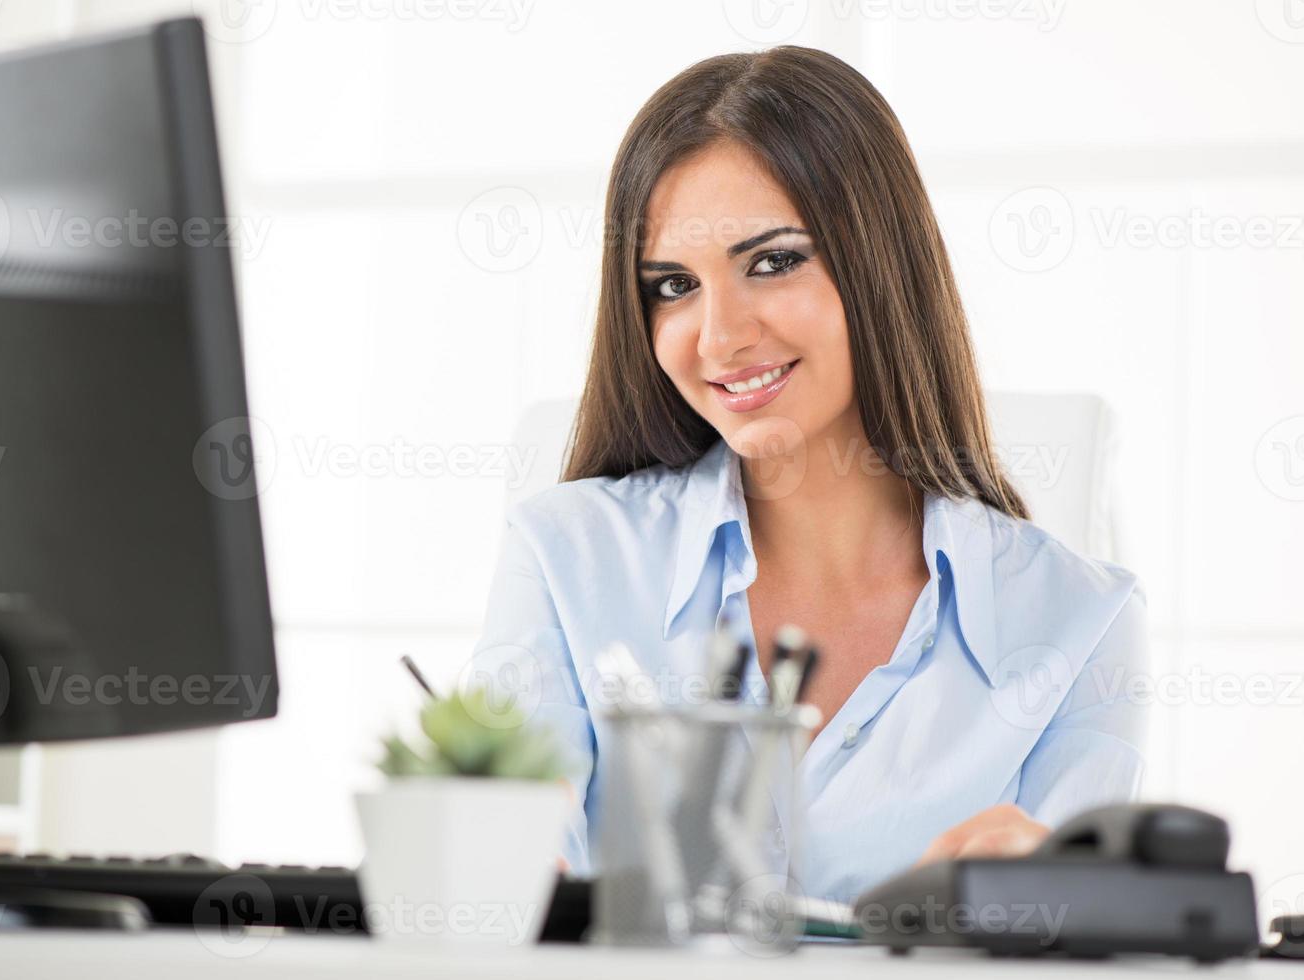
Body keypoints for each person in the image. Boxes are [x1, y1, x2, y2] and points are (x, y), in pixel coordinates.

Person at [469, 46, 1147, 905]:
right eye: (673, 285)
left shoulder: (1082, 625)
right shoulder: (563, 560)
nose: (718, 338)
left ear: (880, 261)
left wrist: (1054, 903)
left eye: (773, 261)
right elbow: (505, 878)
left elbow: (1077, 935)